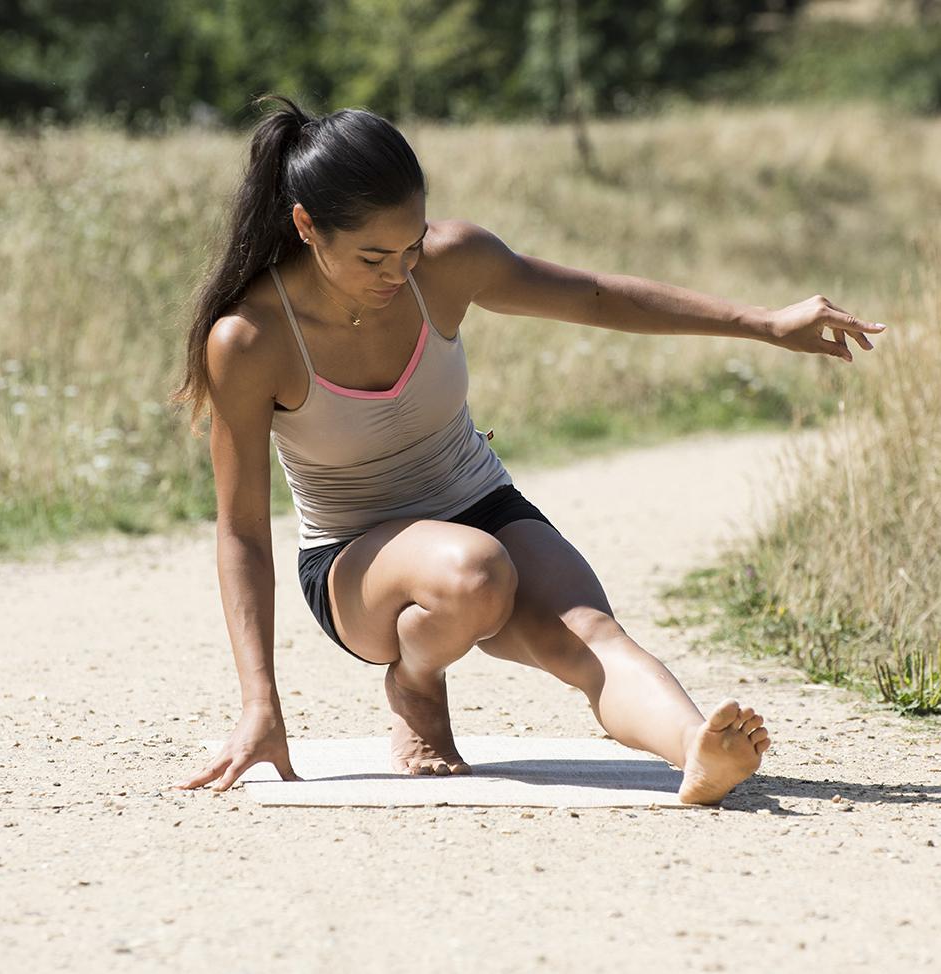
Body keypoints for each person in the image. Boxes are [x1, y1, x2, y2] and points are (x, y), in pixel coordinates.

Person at [169, 94, 885, 804]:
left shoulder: (449, 263)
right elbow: (240, 532)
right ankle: (414, 683)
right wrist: (259, 703)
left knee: (588, 634)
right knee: (477, 572)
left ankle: (696, 749)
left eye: (412, 243)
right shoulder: (251, 339)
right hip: (355, 567)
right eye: (374, 256)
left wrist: (764, 322)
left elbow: (598, 297)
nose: (399, 272)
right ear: (306, 227)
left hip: (481, 507)